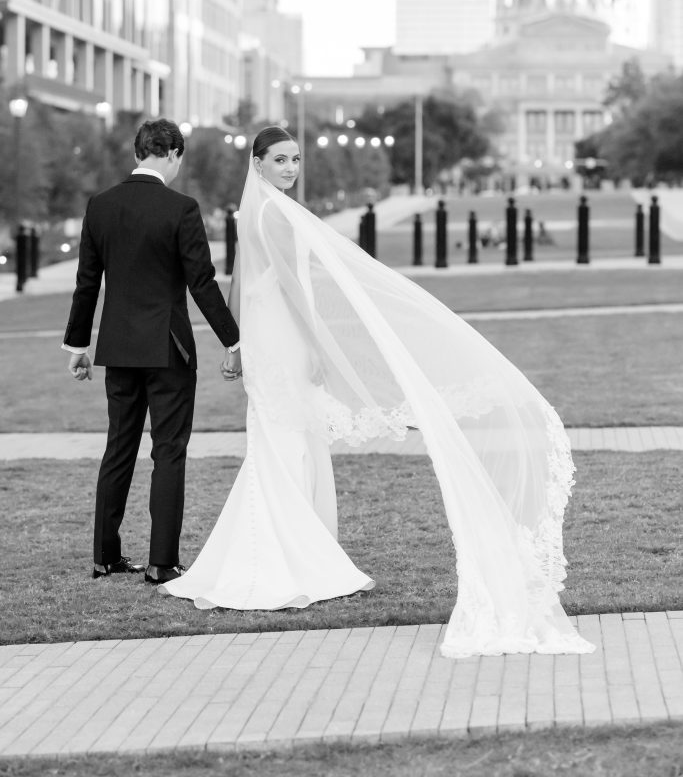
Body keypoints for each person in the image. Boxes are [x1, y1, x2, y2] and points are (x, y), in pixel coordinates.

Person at [162, 126, 594, 659]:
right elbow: (294, 285)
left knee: (279, 441)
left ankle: (289, 552)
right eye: (280, 160)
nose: (291, 168)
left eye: (296, 159)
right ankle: (285, 560)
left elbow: (238, 279)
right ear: (257, 164)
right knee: (286, 442)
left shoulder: (251, 212)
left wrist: (235, 343)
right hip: (281, 338)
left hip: (261, 336)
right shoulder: (274, 213)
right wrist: (316, 343)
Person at [62, 118, 241, 584]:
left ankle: (105, 557)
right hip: (168, 349)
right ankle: (162, 563)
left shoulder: (100, 206)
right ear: (173, 155)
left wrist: (78, 345)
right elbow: (201, 283)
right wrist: (233, 339)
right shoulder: (181, 208)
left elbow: (87, 284)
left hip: (118, 348)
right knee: (169, 452)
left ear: (139, 152)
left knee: (118, 449)